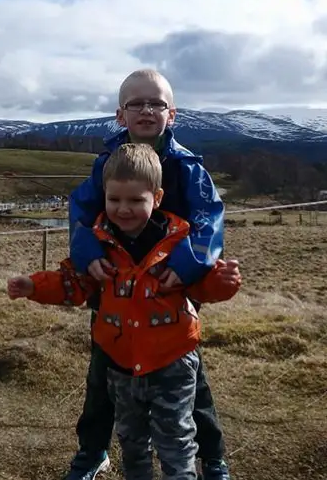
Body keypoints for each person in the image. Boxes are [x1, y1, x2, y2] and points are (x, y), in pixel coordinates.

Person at [8, 144, 241, 480]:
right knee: (131, 441)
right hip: (119, 365)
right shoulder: (96, 247)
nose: (123, 209)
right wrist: (34, 286)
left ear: (157, 198)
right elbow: (74, 285)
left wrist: (224, 280)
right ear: (103, 195)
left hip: (171, 361)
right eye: (114, 200)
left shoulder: (181, 246)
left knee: (175, 439)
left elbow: (204, 288)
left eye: (135, 201)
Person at [66, 68, 233, 480]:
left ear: (171, 114)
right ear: (120, 115)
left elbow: (208, 220)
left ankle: (212, 458)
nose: (146, 110)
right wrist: (87, 254)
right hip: (113, 287)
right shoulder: (105, 164)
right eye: (136, 103)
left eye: (156, 103)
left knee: (188, 377)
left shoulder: (187, 168)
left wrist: (186, 266)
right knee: (102, 374)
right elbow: (81, 214)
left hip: (170, 291)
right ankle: (93, 452)